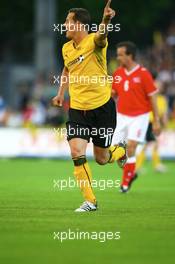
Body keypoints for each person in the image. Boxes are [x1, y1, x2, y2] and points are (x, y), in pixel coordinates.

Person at [52, 0, 127, 212]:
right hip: (77, 109)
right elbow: (67, 70)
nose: (64, 25)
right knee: (76, 150)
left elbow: (102, 35)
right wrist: (60, 94)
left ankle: (120, 151)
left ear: (79, 25)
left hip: (102, 107)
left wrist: (105, 20)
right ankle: (90, 201)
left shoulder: (95, 41)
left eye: (68, 21)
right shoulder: (67, 48)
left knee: (102, 158)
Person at [112, 41, 161, 193]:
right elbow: (114, 94)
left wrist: (156, 121)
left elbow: (153, 97)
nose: (118, 57)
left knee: (132, 146)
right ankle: (130, 172)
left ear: (130, 56)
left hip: (140, 116)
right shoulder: (117, 74)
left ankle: (125, 184)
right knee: (114, 152)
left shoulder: (143, 74)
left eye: (120, 54)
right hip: (121, 116)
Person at [136, 75, 168, 173]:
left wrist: (164, 122)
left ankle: (139, 166)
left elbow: (163, 113)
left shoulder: (162, 99)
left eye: (159, 86)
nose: (158, 87)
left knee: (150, 144)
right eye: (156, 86)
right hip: (148, 122)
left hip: (154, 123)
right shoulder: (149, 98)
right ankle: (155, 165)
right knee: (152, 144)